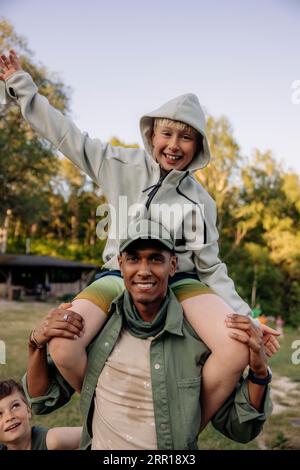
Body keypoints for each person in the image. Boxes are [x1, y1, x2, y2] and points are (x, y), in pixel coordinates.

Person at [0, 51, 279, 428]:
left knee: (235, 348)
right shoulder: (119, 164)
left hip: (181, 280)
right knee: (64, 344)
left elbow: (212, 268)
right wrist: (22, 87)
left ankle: (188, 423)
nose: (174, 145)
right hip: (117, 273)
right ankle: (108, 417)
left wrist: (247, 318)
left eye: (186, 137)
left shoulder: (201, 201)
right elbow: (66, 135)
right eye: (167, 133)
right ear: (151, 135)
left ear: (198, 146)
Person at [23, 220, 273, 450]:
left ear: (173, 266)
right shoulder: (94, 332)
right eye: (133, 259)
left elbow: (241, 428)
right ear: (120, 265)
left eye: (155, 259)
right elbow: (41, 400)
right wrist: (36, 343)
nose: (144, 270)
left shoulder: (200, 340)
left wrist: (260, 374)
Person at [0, 379, 82, 450]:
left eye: (15, 406)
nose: (9, 417)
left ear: (28, 410)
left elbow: (90, 432)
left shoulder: (52, 440)